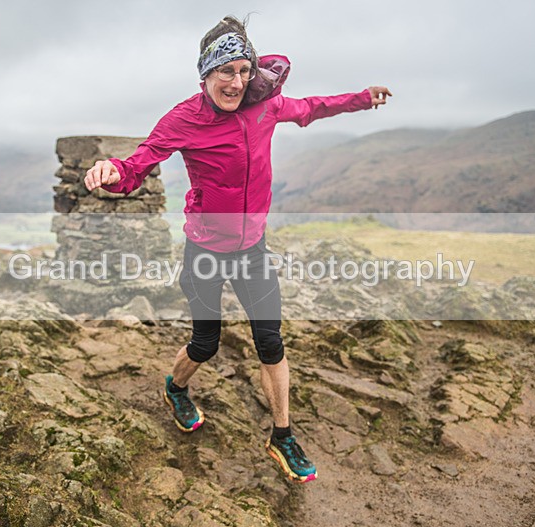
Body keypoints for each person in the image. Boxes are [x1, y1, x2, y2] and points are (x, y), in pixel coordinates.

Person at [85, 15, 391, 484]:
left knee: (271, 342)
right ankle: (175, 387)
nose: (237, 81)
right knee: (206, 343)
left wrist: (361, 99)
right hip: (205, 249)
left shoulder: (264, 106)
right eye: (225, 71)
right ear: (205, 74)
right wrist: (111, 171)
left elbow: (311, 106)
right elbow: (139, 163)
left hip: (252, 249)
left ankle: (282, 435)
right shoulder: (183, 119)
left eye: (244, 70)